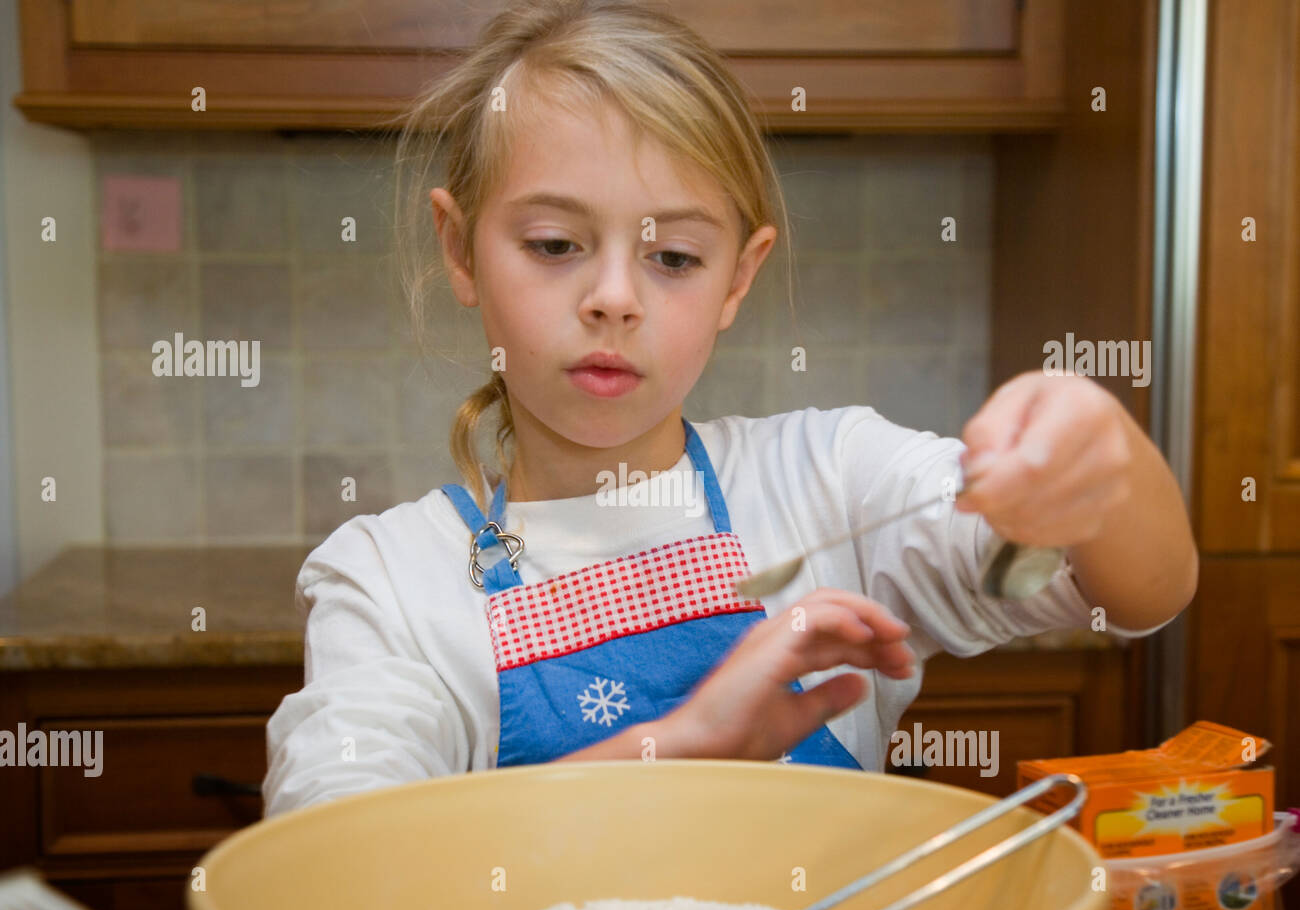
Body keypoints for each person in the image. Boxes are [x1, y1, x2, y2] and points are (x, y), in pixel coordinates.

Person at [262, 0, 1197, 818]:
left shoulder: (829, 483)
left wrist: (1095, 445)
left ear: (737, 278)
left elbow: (1139, 590)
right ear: (460, 250)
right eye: (554, 243)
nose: (615, 297)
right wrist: (685, 744)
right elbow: (337, 879)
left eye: (674, 257)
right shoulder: (390, 585)